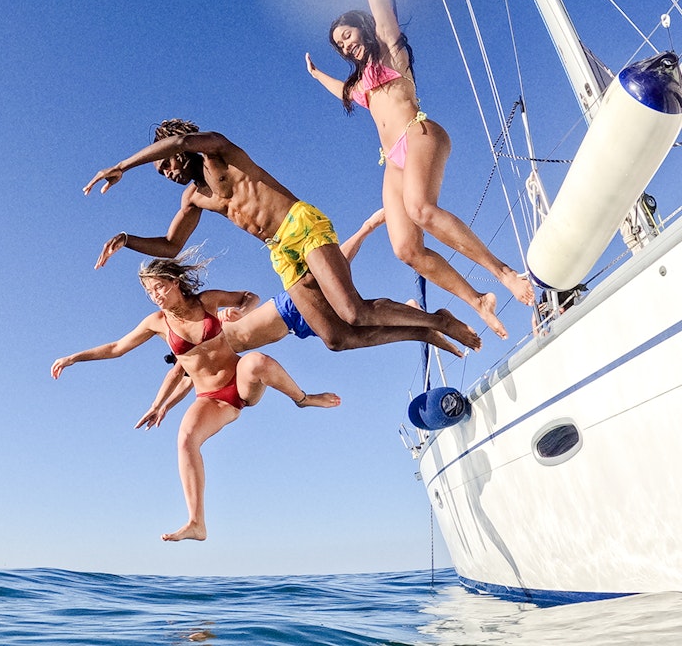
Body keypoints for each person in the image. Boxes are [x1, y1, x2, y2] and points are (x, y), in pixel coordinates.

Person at [304, 0, 534, 339]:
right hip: (391, 160)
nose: (345, 45)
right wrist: (318, 75)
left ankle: (502, 272)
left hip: (420, 134)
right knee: (405, 248)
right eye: (339, 44)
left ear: (364, 28)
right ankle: (477, 299)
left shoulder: (391, 51)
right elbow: (344, 92)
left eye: (348, 35)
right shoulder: (362, 87)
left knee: (421, 210)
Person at [83, 119, 481, 356]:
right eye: (161, 172)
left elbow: (183, 144)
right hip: (280, 252)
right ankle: (424, 330)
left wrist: (121, 166)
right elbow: (171, 247)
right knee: (336, 337)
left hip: (299, 224)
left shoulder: (216, 151)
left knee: (353, 311)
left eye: (165, 164)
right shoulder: (194, 198)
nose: (167, 172)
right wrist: (126, 239)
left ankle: (439, 319)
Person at [50, 250, 340, 542]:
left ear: (175, 282)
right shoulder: (157, 322)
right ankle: (196, 523)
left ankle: (303, 399)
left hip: (240, 382)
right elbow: (117, 348)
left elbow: (249, 297)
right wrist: (74, 358)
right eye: (150, 292)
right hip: (212, 398)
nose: (156, 296)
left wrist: (241, 312)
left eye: (159, 287)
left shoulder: (207, 301)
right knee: (185, 440)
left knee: (256, 361)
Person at [152, 209, 387, 409]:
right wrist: (163, 408)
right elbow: (182, 383)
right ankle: (403, 313)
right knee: (352, 329)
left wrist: (239, 312)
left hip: (284, 309)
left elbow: (175, 376)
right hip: (295, 327)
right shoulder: (202, 363)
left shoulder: (205, 331)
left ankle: (367, 227)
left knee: (328, 274)